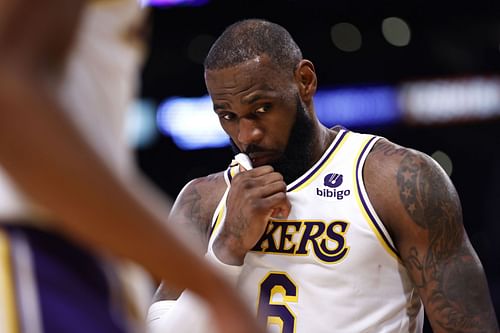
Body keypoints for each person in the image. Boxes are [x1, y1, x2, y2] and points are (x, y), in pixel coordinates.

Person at [148, 18, 499, 333]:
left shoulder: (395, 180)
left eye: (261, 109)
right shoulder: (204, 201)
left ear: (305, 81)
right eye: (228, 116)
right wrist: (227, 247)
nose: (246, 135)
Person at [0, 1, 267, 333]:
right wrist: (212, 283)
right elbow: (10, 95)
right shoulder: (205, 194)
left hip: (84, 254)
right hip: (36, 252)